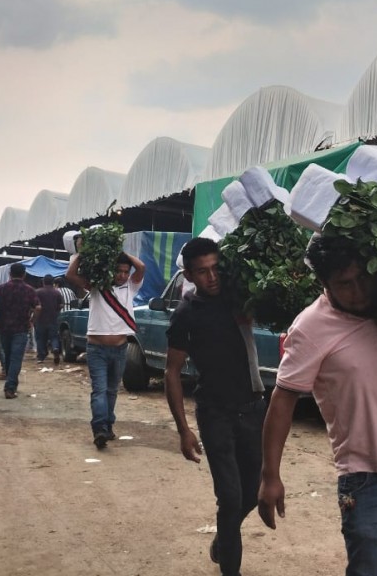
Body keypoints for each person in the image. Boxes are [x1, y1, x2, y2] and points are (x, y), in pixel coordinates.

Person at [258, 235, 377, 576]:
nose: (358, 291)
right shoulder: (310, 328)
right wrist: (269, 475)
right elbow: (282, 400)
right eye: (344, 284)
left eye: (363, 278)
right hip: (367, 481)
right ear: (323, 283)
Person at [163, 237, 266, 576]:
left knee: (254, 491)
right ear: (189, 276)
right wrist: (183, 430)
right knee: (231, 498)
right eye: (202, 272)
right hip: (214, 413)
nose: (212, 277)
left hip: (252, 409)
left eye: (216, 268)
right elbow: (172, 372)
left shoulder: (239, 297)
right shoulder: (185, 314)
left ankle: (223, 539)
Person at [65, 246, 145, 450]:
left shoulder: (130, 287)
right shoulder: (96, 286)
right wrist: (83, 254)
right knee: (99, 390)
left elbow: (141, 267)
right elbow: (71, 274)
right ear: (110, 270)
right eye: (118, 270)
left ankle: (108, 426)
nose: (123, 275)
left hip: (120, 349)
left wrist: (121, 253)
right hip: (96, 349)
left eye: (126, 272)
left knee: (111, 391)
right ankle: (99, 428)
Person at [0, 263, 41, 399]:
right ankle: (10, 387)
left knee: (9, 356)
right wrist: (32, 322)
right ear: (24, 274)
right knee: (16, 358)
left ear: (9, 274)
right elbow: (38, 307)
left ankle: (11, 384)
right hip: (21, 329)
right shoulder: (29, 290)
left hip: (4, 328)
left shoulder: (2, 289)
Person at [35, 275, 63, 365]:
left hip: (40, 319)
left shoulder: (38, 292)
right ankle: (55, 348)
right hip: (53, 319)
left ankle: (41, 357)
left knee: (40, 338)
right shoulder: (57, 293)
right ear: (53, 283)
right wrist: (56, 310)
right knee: (54, 337)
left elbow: (34, 305)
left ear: (43, 282)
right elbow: (61, 305)